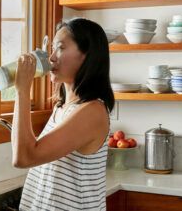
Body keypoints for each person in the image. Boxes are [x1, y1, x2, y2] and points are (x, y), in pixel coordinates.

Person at [11, 17, 114, 211]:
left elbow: (23, 157)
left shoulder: (92, 112)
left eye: (61, 48)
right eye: (52, 49)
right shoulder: (63, 107)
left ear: (86, 55)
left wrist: (22, 91)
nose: (51, 58)